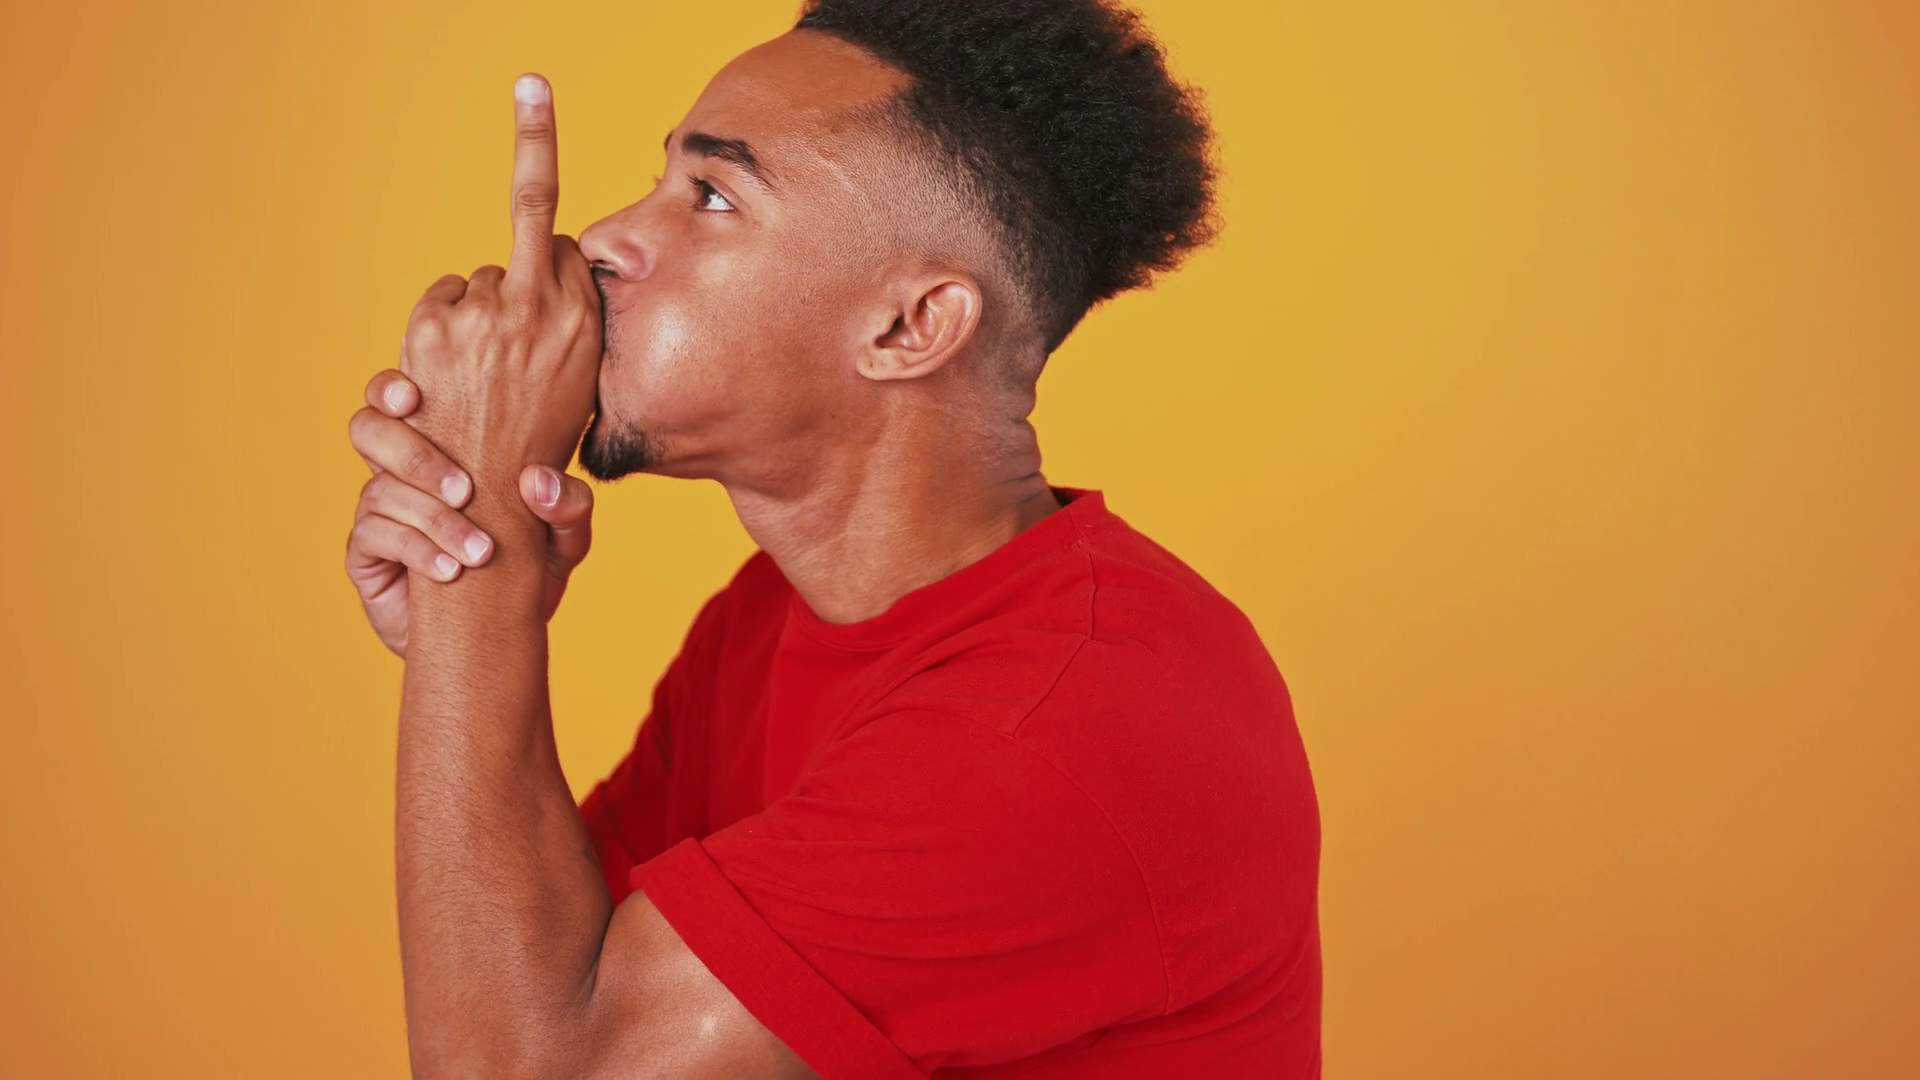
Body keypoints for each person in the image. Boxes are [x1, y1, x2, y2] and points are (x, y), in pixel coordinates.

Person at [342, 1, 1320, 1075]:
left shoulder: (1057, 727)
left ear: (910, 327)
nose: (608, 237)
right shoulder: (767, 620)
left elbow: (530, 1064)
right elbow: (546, 967)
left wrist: (474, 580)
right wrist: (467, 611)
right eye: (661, 178)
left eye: (713, 196)